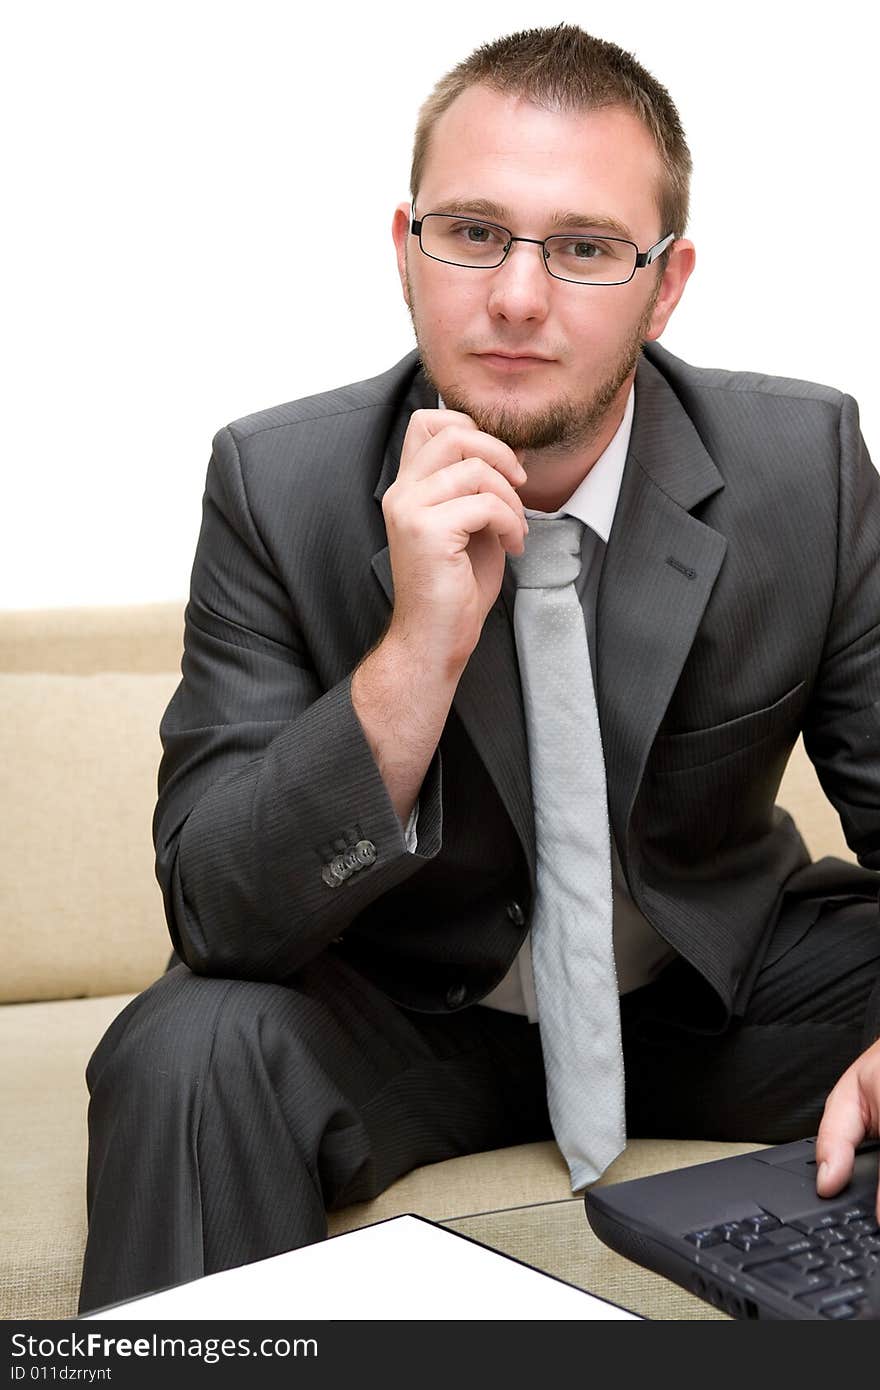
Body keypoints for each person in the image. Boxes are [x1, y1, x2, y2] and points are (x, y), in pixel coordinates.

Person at [78, 24, 880, 1315]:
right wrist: (415, 654)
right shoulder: (273, 486)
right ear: (405, 249)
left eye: (583, 248)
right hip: (413, 1012)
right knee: (185, 1050)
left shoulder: (808, 465)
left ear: (665, 285)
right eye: (472, 233)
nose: (516, 296)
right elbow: (219, 909)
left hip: (711, 993)